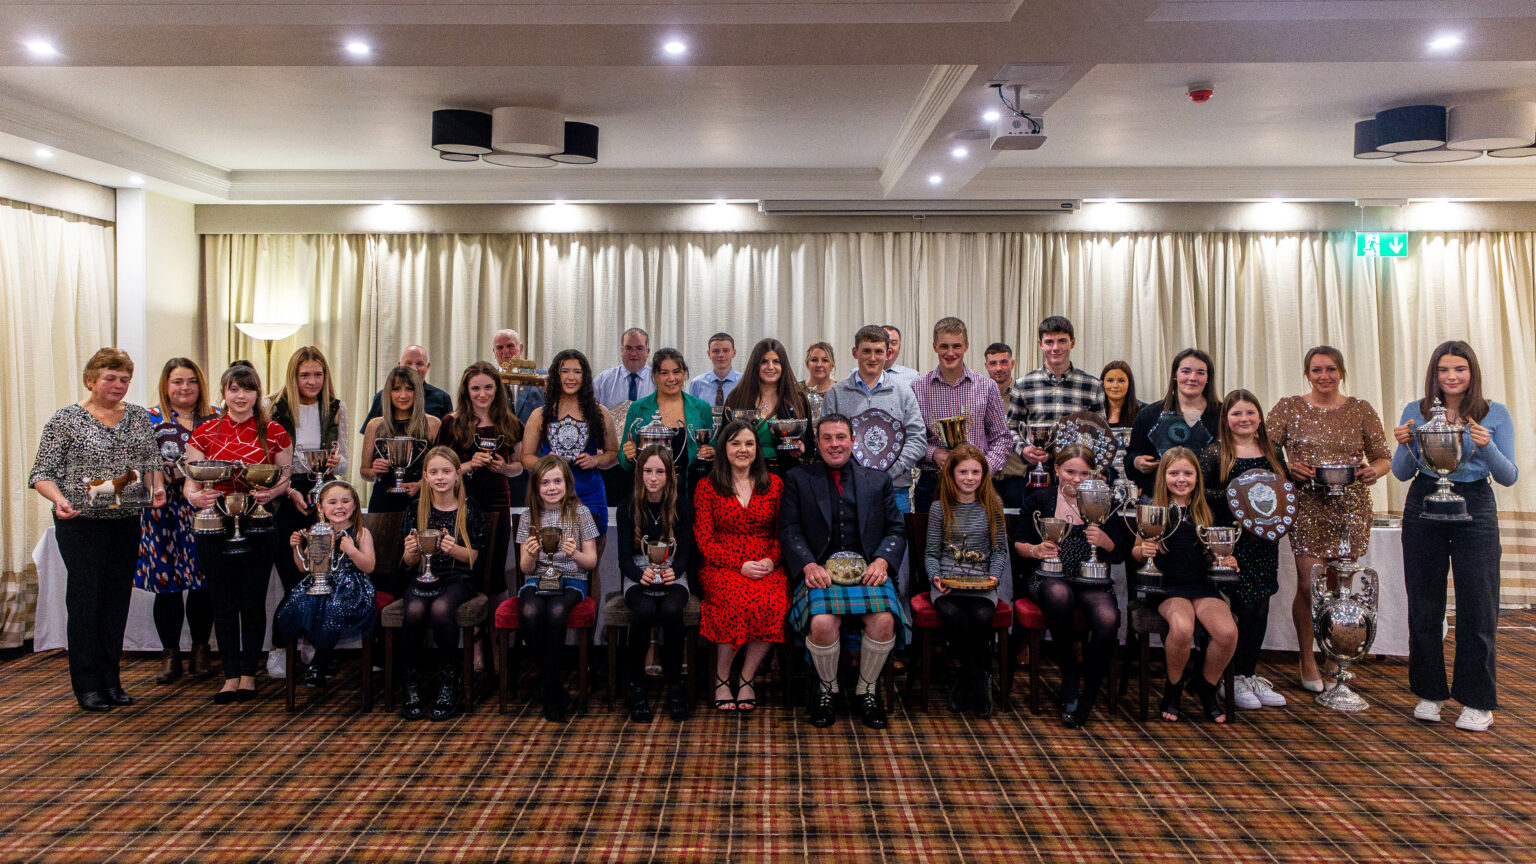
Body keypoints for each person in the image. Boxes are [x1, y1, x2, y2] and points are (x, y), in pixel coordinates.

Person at [30, 348, 166, 712]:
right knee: (86, 601)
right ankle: (87, 684)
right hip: (81, 523)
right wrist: (59, 500)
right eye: (110, 378)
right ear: (91, 379)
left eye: (124, 380)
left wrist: (158, 487)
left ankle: (111, 679)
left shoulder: (138, 416)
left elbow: (151, 462)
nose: (118, 385)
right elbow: (42, 474)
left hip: (125, 520)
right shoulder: (65, 420)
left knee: (116, 601)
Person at [1391, 341, 1517, 732]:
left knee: (1478, 603)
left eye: (1459, 369)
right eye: (1444, 370)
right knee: (1424, 602)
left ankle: (1477, 701)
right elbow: (1400, 473)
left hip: (1475, 503)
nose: (1451, 377)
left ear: (1471, 373)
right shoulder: (1416, 410)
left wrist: (1487, 444)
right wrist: (1404, 445)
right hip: (1424, 500)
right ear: (1435, 375)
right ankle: (1430, 693)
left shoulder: (1495, 412)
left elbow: (1508, 475)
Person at [1268, 346, 1390, 693]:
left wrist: (1373, 472)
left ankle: (1334, 653)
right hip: (1307, 504)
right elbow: (1264, 446)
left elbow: (1383, 457)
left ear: (1342, 372)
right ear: (1307, 373)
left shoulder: (1360, 409)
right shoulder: (1289, 406)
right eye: (1317, 370)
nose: (1325, 376)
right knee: (1310, 585)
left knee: (1338, 586)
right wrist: (1287, 467)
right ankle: (1306, 657)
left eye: (1331, 370)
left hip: (1350, 506)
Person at [781, 414, 909, 729]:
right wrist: (808, 563)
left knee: (884, 621)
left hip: (868, 572)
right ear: (817, 441)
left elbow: (896, 529)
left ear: (853, 440)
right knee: (822, 623)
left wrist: (882, 560)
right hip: (820, 572)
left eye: (841, 437)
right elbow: (789, 529)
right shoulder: (798, 478)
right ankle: (828, 690)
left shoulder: (877, 480)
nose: (835, 444)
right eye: (827, 438)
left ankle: (867, 690)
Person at [184, 362, 292, 705]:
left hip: (258, 522)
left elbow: (285, 476)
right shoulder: (204, 433)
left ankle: (249, 673)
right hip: (214, 524)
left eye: (247, 389)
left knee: (252, 598)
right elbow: (192, 479)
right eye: (234, 389)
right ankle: (229, 674)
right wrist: (194, 496)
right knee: (223, 600)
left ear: (257, 393)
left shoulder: (275, 431)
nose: (240, 395)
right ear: (224, 392)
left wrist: (272, 493)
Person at [1011, 445, 1130, 727]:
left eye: (1084, 473)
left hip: (1091, 580)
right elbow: (1018, 543)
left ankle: (1089, 691)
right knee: (1058, 594)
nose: (1076, 480)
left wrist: (1104, 541)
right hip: (1048, 577)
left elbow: (1118, 554)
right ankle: (1069, 673)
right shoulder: (1040, 498)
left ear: (1095, 475)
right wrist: (1036, 551)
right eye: (1070, 472)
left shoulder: (1104, 501)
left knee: (1108, 617)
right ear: (1056, 470)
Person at [1129, 448, 1237, 724]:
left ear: (1197, 477)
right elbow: (1135, 552)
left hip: (1202, 586)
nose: (1181, 479)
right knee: (1181, 628)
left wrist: (1228, 559)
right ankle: (1173, 688)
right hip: (1167, 588)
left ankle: (1207, 687)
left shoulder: (1207, 510)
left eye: (1187, 473)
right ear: (1163, 476)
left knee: (1227, 633)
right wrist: (1145, 552)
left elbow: (1217, 551)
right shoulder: (1153, 509)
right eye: (1174, 473)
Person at [1199, 390, 1288, 710]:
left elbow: (1285, 493)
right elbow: (1201, 494)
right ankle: (1230, 676)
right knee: (1239, 608)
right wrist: (1237, 496)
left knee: (1260, 608)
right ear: (1226, 419)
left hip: (1263, 543)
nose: (1244, 419)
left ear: (1260, 417)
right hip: (1229, 544)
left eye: (1250, 413)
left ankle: (1249, 673)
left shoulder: (1273, 450)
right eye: (1236, 414)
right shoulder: (1215, 453)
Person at [693, 420, 787, 713]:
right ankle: (722, 678)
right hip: (722, 565)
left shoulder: (774, 484)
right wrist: (739, 565)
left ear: (757, 449)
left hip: (766, 563)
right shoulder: (707, 487)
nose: (742, 450)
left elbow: (783, 532)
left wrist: (772, 559)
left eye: (748, 443)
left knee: (773, 601)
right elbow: (704, 540)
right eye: (735, 443)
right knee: (735, 600)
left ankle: (747, 677)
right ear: (724, 448)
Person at [267, 345, 349, 680]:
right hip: (286, 493)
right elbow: (267, 458)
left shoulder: (335, 407)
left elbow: (343, 460)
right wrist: (287, 488)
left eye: (318, 374)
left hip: (322, 495)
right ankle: (279, 646)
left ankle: (313, 646)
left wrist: (333, 464)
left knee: (318, 577)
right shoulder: (274, 406)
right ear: (294, 376)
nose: (312, 381)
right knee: (291, 577)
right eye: (305, 375)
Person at [136, 357, 218, 684]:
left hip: (203, 509)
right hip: (162, 511)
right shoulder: (148, 419)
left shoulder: (215, 417)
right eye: (177, 382)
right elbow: (137, 464)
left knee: (203, 584)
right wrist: (156, 482)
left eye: (191, 381)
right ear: (166, 386)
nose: (185, 388)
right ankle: (170, 654)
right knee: (166, 586)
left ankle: (200, 650)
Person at [399, 447, 487, 722]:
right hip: (422, 575)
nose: (440, 477)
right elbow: (407, 560)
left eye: (446, 471)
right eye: (434, 472)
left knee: (440, 609)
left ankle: (450, 678)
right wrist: (412, 549)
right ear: (424, 477)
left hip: (457, 577)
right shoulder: (415, 510)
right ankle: (410, 681)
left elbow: (474, 557)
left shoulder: (469, 508)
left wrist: (454, 549)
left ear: (458, 474)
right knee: (413, 610)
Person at [926, 444, 1010, 719]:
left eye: (975, 472)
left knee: (982, 617)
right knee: (951, 614)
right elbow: (931, 553)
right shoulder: (939, 509)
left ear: (984, 475)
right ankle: (978, 679)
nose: (969, 478)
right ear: (951, 474)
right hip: (948, 584)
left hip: (981, 583)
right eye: (963, 471)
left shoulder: (992, 507)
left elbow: (999, 551)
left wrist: (995, 576)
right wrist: (934, 577)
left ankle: (965, 679)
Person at [515, 455, 601, 722]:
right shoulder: (528, 515)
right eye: (545, 483)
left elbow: (591, 561)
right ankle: (554, 687)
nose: (551, 488)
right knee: (529, 610)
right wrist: (530, 553)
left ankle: (549, 688)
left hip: (573, 579)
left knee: (555, 611)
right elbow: (526, 568)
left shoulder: (581, 512)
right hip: (537, 579)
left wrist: (574, 553)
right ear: (536, 487)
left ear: (567, 483)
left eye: (557, 481)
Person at [615, 444, 695, 723]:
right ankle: (636, 686)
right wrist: (640, 576)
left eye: (659, 472)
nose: (653, 478)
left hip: (673, 571)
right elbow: (624, 560)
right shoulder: (627, 507)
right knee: (646, 610)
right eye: (647, 471)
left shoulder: (682, 505)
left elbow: (685, 554)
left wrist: (675, 571)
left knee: (672, 610)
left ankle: (676, 686)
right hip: (638, 573)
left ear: (669, 475)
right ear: (639, 474)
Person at [437, 361, 524, 598]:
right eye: (475, 388)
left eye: (488, 387)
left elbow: (519, 467)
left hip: (497, 501)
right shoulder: (451, 422)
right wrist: (467, 465)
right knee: (464, 567)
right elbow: (438, 469)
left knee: (494, 567)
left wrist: (504, 468)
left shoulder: (511, 423)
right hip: (460, 502)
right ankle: (470, 628)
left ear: (498, 389)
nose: (482, 394)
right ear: (466, 390)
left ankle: (492, 633)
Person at [278, 480, 377, 688]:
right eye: (332, 502)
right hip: (320, 582)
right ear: (321, 508)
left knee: (333, 606)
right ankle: (323, 655)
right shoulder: (317, 531)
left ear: (355, 506)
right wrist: (297, 548)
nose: (339, 507)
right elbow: (304, 568)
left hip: (353, 586)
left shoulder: (360, 533)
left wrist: (351, 550)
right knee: (299, 603)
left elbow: (369, 566)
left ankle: (319, 662)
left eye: (345, 501)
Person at [911, 317, 1013, 512]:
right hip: (932, 485)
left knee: (978, 541)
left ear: (966, 346)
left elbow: (1003, 439)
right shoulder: (917, 388)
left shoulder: (986, 387)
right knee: (929, 542)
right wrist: (934, 453)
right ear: (934, 347)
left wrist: (981, 469)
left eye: (956, 346)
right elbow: (912, 440)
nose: (950, 353)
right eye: (944, 346)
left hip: (978, 487)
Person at [821, 325, 926, 513]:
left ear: (888, 353)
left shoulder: (904, 392)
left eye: (878, 351)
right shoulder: (836, 394)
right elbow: (826, 439)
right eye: (866, 351)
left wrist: (891, 472)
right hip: (847, 490)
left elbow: (917, 438)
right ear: (855, 352)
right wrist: (851, 474)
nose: (872, 357)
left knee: (897, 542)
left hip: (894, 490)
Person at [519, 349, 619, 541]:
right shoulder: (540, 414)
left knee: (593, 562)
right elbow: (525, 457)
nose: (571, 377)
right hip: (550, 493)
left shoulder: (600, 412)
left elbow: (614, 454)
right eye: (565, 371)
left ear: (585, 377)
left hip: (590, 491)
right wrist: (546, 463)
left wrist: (595, 460)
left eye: (577, 371)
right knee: (552, 556)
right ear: (556, 375)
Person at [1124, 348, 1221, 497]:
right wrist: (1137, 461)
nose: (1193, 377)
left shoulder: (1223, 415)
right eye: (1186, 371)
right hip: (1156, 499)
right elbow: (1131, 456)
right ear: (1175, 375)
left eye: (1200, 373)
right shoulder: (1148, 414)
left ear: (1208, 378)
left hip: (1206, 501)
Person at [618, 348, 714, 490]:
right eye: (664, 373)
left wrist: (711, 453)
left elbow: (714, 450)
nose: (671, 378)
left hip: (691, 490)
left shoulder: (702, 408)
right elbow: (623, 459)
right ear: (655, 376)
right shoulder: (637, 408)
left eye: (676, 372)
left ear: (684, 373)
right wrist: (628, 455)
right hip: (649, 491)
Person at [724, 337, 813, 478]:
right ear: (755, 365)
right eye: (764, 361)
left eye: (776, 362)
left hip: (788, 475)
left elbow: (809, 443)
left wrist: (801, 448)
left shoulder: (798, 399)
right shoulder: (736, 398)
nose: (770, 367)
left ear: (783, 365)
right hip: (745, 476)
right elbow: (725, 440)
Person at [360, 366, 443, 514]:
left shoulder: (433, 424)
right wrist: (374, 471)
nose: (403, 395)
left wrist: (420, 484)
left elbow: (443, 469)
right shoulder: (374, 426)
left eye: (409, 389)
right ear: (388, 393)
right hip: (383, 503)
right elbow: (364, 471)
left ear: (417, 392)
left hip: (421, 501)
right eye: (396, 389)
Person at [359, 345, 454, 430]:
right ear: (399, 365)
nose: (413, 368)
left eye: (419, 364)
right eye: (408, 363)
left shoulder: (442, 398)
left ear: (427, 367)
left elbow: (449, 439)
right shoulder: (382, 397)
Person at [983, 341, 1028, 506]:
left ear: (1012, 363)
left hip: (1016, 475)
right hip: (986, 477)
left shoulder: (1023, 395)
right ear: (986, 366)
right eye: (993, 363)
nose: (999, 368)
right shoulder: (979, 396)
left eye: (1003, 362)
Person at [592, 327, 655, 409]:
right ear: (622, 351)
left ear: (648, 352)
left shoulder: (657, 380)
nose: (633, 353)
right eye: (628, 348)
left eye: (639, 348)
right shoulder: (602, 380)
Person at [493, 327, 546, 424]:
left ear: (521, 349)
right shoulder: (487, 382)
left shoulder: (543, 379)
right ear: (494, 352)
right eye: (500, 347)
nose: (505, 351)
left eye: (510, 346)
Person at [689, 332, 740, 406]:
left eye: (726, 350)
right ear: (709, 354)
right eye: (716, 351)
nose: (721, 355)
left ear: (734, 353)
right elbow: (692, 412)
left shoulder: (744, 382)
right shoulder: (697, 383)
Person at [1100, 360, 1144, 430]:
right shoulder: (1094, 413)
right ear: (1102, 383)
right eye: (1110, 380)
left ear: (1129, 383)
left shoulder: (1144, 412)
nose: (1115, 385)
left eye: (1121, 381)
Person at [881, 324, 920, 390]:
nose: (889, 347)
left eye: (894, 343)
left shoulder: (913, 376)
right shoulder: (861, 374)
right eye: (885, 342)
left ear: (899, 347)